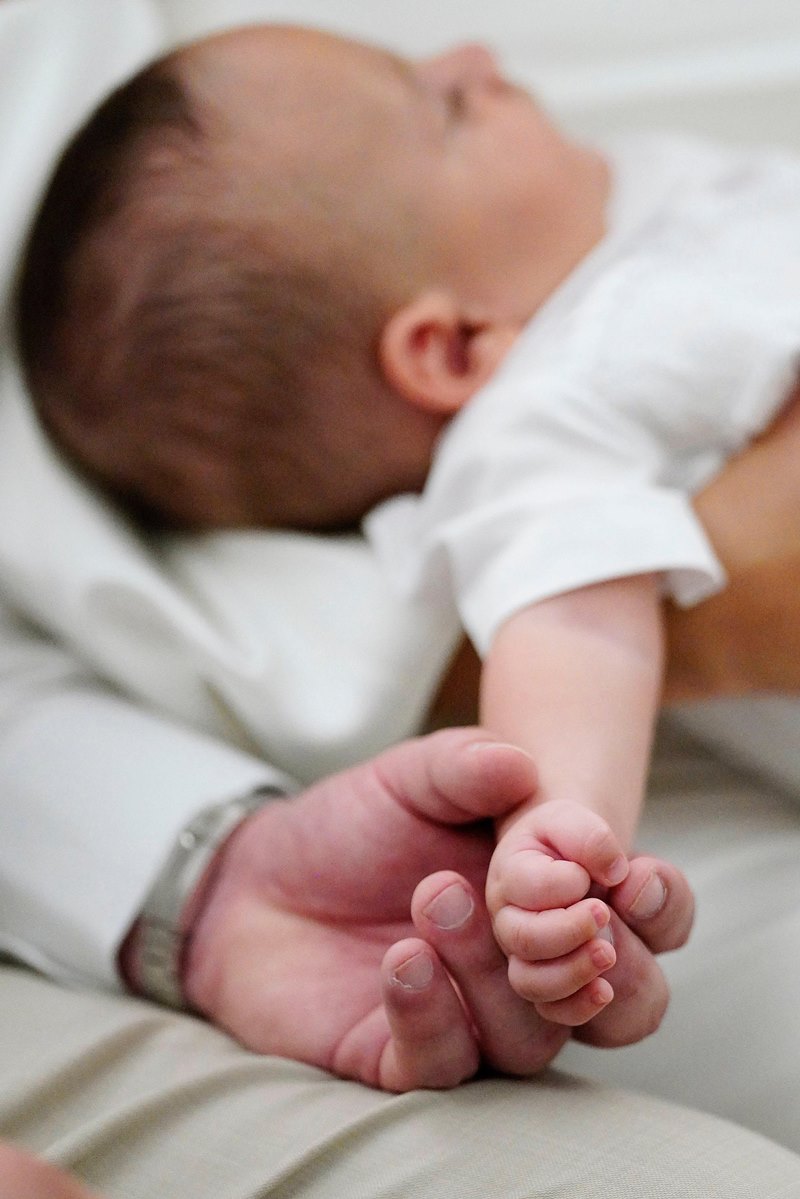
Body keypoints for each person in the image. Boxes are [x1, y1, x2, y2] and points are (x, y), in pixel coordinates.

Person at [16, 23, 800, 1027]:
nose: (473, 56)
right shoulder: (548, 406)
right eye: (444, 108)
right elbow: (571, 622)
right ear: (450, 344)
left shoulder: (649, 202)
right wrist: (557, 836)